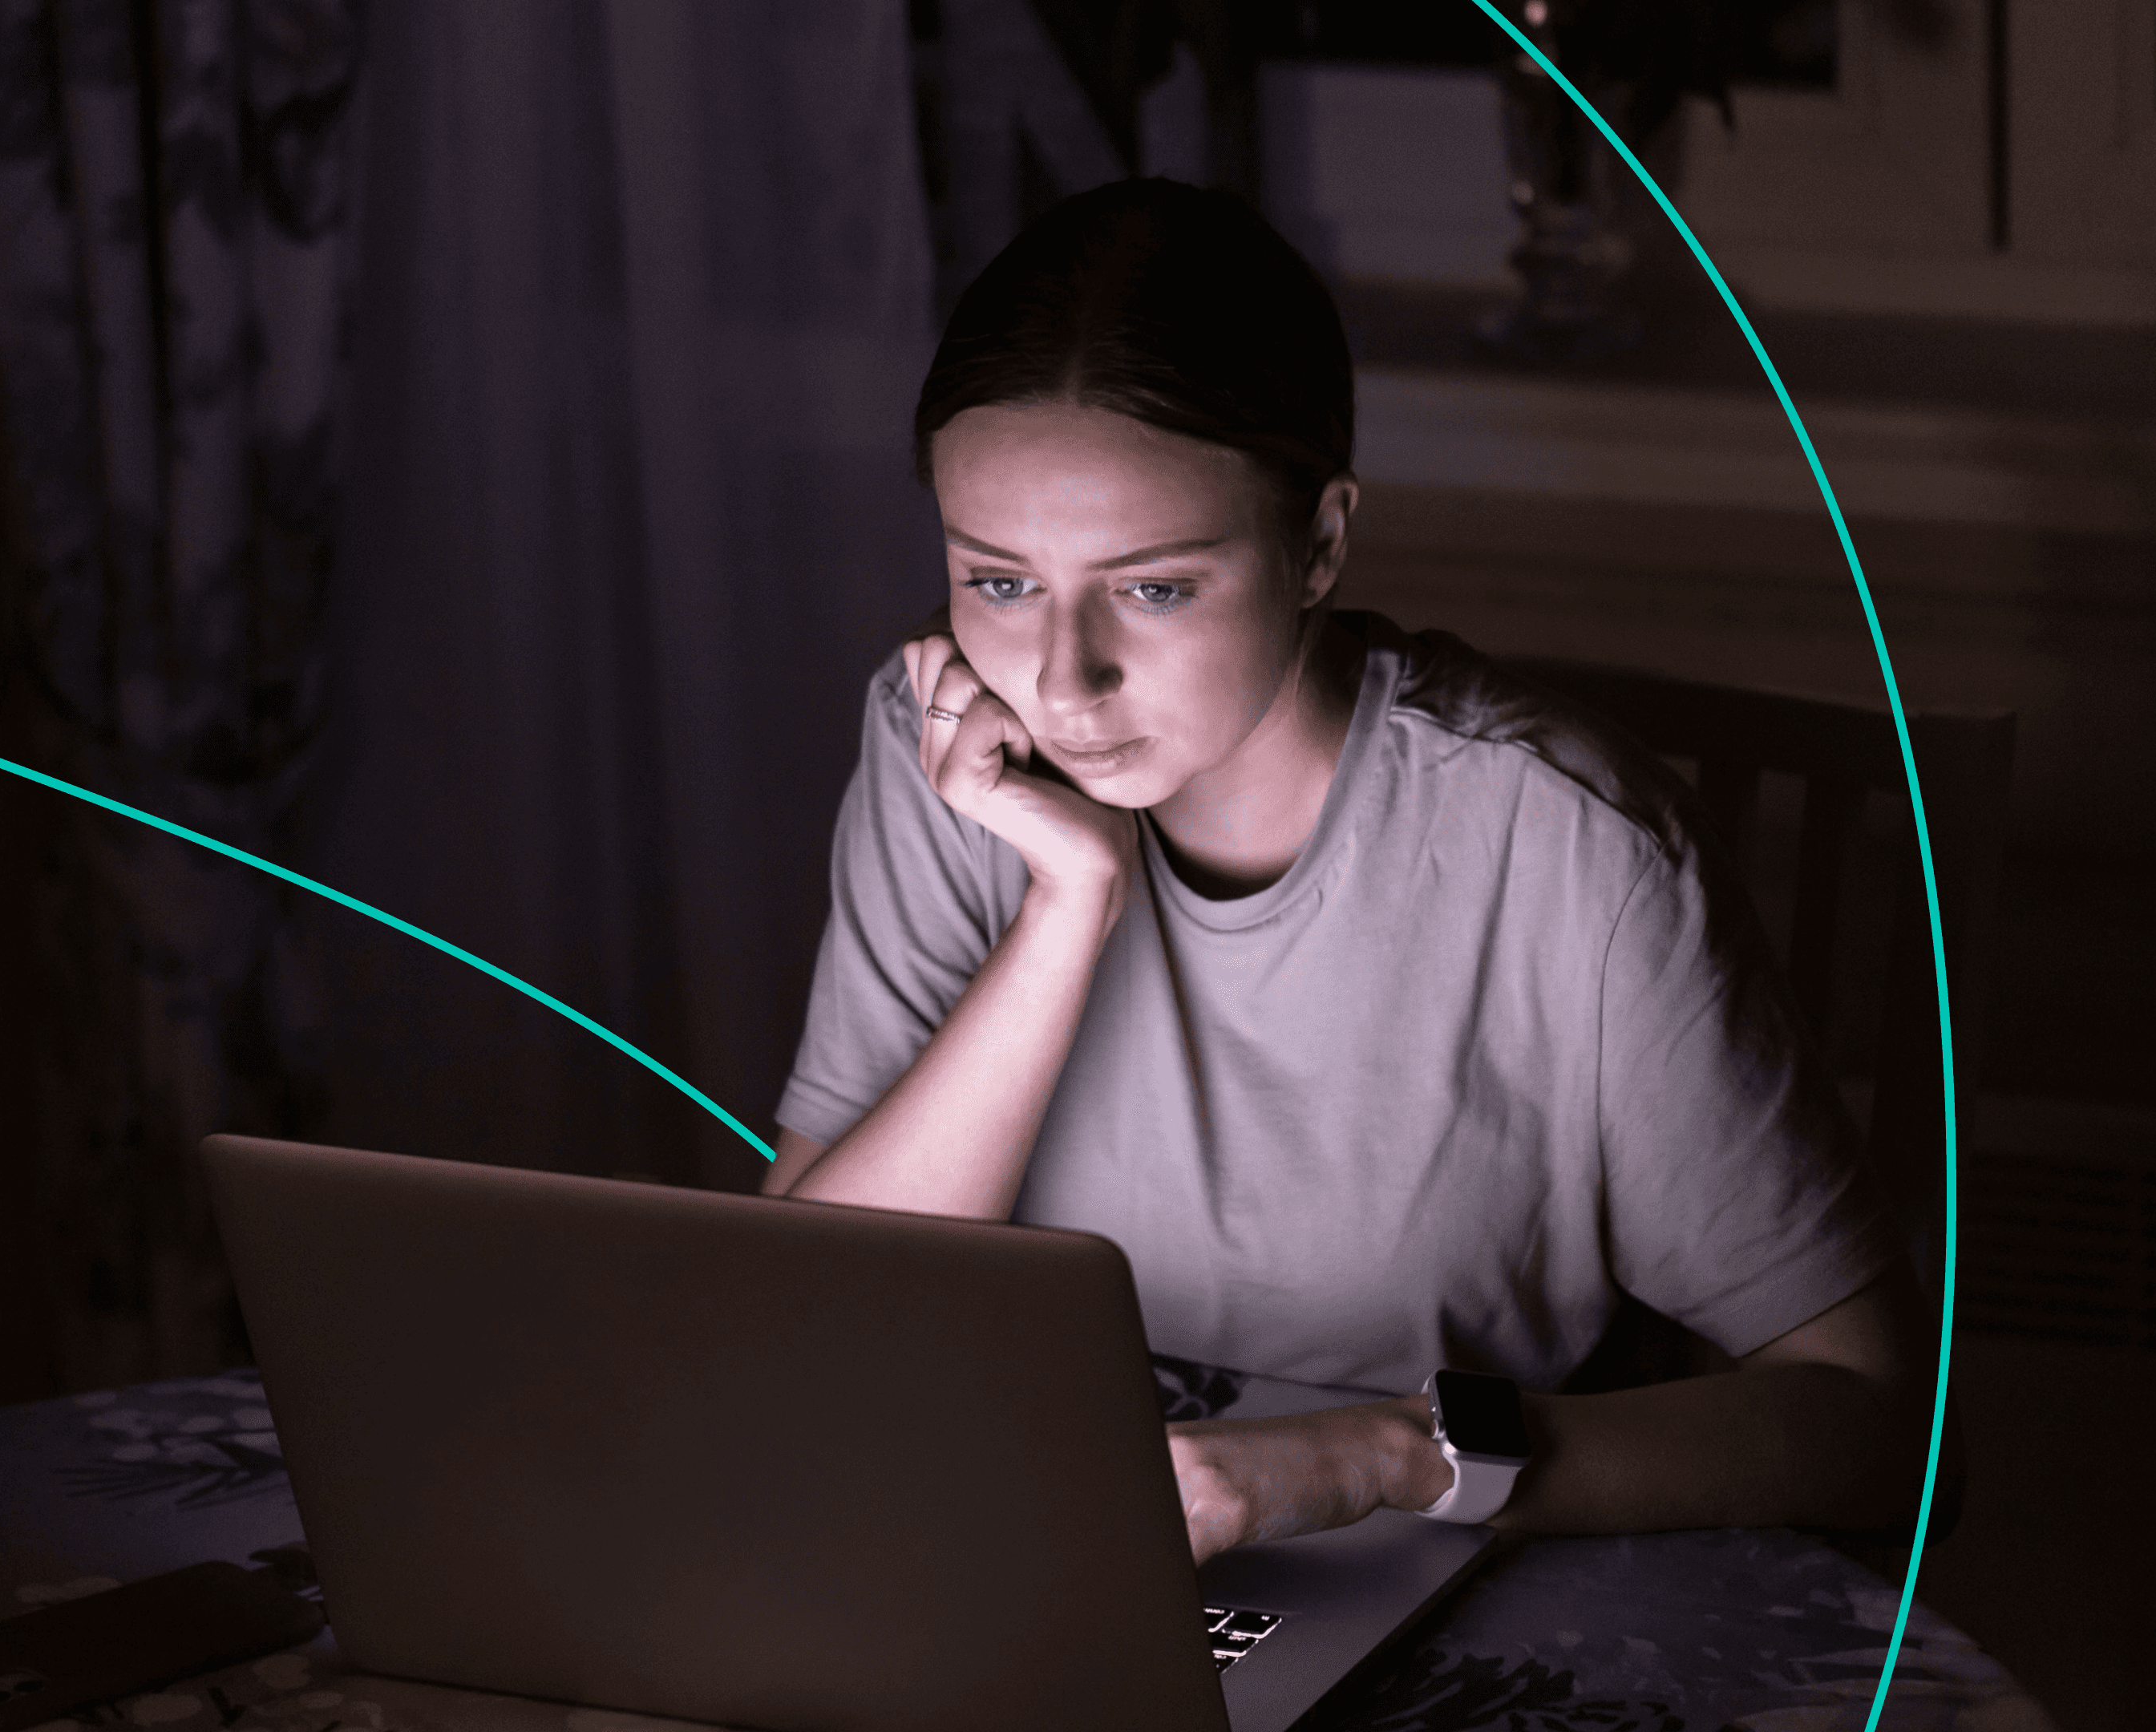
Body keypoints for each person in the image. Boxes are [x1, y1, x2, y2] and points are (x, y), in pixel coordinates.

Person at [762, 178, 1932, 1565]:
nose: (1061, 680)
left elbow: (1890, 1438)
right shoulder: (948, 754)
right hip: (1056, 1560)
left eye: (1155, 587)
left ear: (1318, 543)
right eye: (999, 581)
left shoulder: (1571, 851)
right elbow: (810, 1321)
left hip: (1468, 1580)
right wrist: (1068, 910)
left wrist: (1375, 1457)